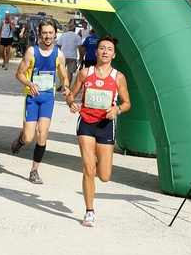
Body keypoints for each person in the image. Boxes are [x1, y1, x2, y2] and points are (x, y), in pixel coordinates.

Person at [62, 34, 131, 227]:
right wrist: (72, 104)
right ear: (96, 51)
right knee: (88, 169)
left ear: (114, 54)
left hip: (106, 126)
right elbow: (71, 95)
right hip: (86, 123)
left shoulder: (119, 77)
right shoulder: (85, 73)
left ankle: (100, 160)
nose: (105, 52)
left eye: (109, 49)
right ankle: (89, 212)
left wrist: (117, 109)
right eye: (102, 48)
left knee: (105, 176)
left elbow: (127, 103)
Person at [10, 19, 70, 184]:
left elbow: (65, 76)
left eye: (51, 33)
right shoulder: (31, 51)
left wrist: (65, 86)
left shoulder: (59, 54)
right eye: (45, 33)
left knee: (42, 134)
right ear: (40, 33)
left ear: (55, 34)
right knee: (29, 138)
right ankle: (21, 140)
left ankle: (34, 170)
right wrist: (29, 83)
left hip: (47, 99)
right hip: (32, 98)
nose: (48, 36)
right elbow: (19, 73)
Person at [56, 22, 82, 88]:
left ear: (68, 28)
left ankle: (61, 83)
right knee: (70, 72)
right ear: (75, 29)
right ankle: (67, 86)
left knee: (61, 70)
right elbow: (79, 47)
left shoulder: (63, 35)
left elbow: (58, 45)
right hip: (72, 56)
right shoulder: (77, 37)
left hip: (63, 55)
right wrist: (81, 57)